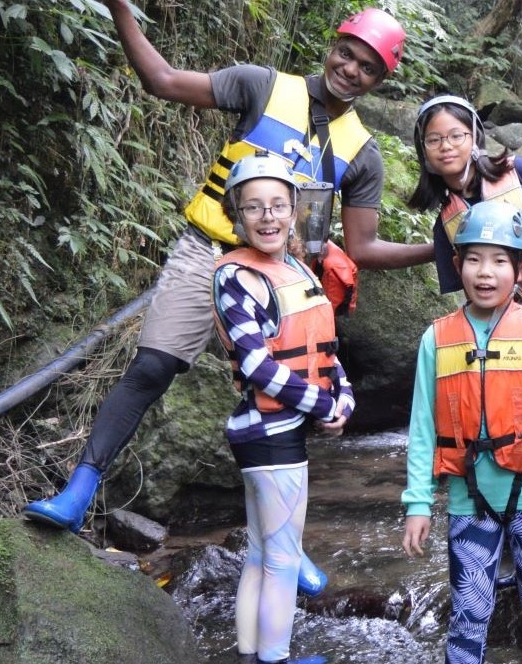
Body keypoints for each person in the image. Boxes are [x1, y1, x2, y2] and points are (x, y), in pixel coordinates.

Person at [24, 0, 414, 598]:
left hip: (286, 282)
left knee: (281, 407)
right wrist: (118, 1)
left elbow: (367, 247)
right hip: (207, 253)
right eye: (346, 54)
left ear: (381, 79)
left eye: (367, 67)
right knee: (152, 367)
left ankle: (285, 545)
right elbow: (163, 81)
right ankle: (79, 490)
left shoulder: (364, 154)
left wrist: (445, 248)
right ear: (333, 47)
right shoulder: (263, 87)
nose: (350, 69)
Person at [400, 199, 522, 664]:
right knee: (469, 612)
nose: (485, 272)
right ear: (458, 266)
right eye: (474, 259)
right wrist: (417, 504)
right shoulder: (435, 339)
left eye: (500, 260)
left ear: (520, 269)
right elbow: (422, 428)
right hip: (468, 498)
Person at [211, 153, 352, 664]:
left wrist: (345, 400)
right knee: (283, 560)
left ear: (294, 209)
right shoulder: (236, 276)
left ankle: (251, 656)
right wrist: (322, 406)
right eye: (253, 208)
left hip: (276, 430)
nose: (267, 217)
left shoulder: (294, 268)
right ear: (237, 215)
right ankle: (277, 659)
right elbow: (256, 366)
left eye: (277, 206)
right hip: (269, 432)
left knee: (260, 554)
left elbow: (327, 353)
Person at [402, 94, 522, 344]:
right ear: (423, 149)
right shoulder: (446, 222)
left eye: (457, 136)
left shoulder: (521, 172)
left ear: (475, 138)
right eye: (434, 140)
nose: (446, 146)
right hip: (515, 326)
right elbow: (471, 297)